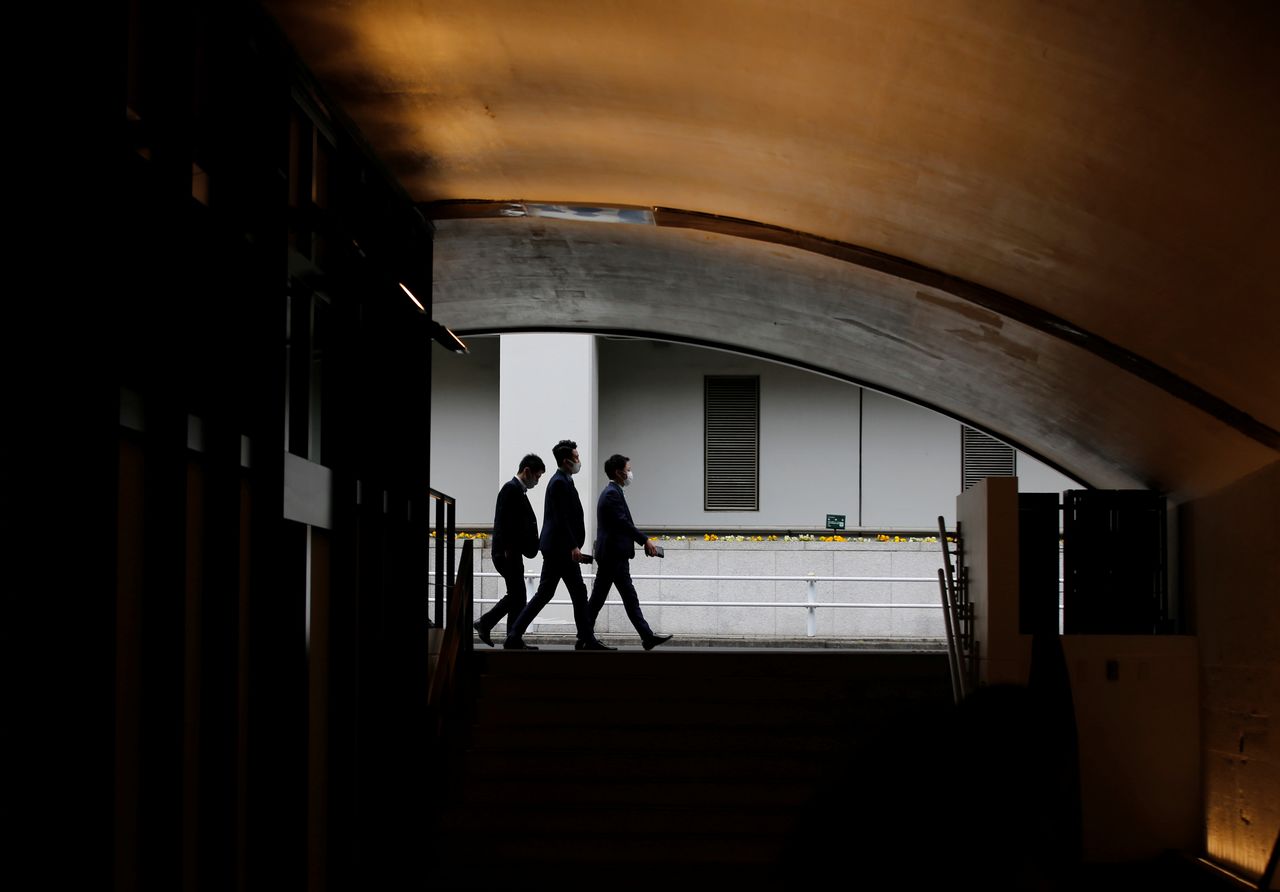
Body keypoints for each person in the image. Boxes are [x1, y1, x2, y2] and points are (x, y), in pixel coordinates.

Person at [503, 439, 607, 650]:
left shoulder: (564, 480)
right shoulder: (559, 482)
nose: (579, 461)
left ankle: (515, 634)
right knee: (574, 592)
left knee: (552, 593)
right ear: (567, 461)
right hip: (561, 550)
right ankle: (586, 638)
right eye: (576, 457)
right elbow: (561, 518)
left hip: (558, 548)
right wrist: (573, 546)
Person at [584, 454, 672, 651]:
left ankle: (584, 636)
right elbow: (623, 523)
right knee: (619, 597)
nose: (630, 472)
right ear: (619, 472)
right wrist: (645, 540)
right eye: (628, 469)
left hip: (613, 555)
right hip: (613, 556)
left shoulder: (614, 492)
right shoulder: (612, 494)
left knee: (604, 597)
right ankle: (645, 636)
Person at [473, 454, 545, 647]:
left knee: (517, 595)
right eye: (537, 476)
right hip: (508, 553)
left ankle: (508, 635)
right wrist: (507, 549)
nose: (537, 481)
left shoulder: (516, 490)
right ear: (527, 471)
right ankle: (489, 625)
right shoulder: (511, 489)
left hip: (510, 552)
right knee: (517, 595)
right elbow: (506, 523)